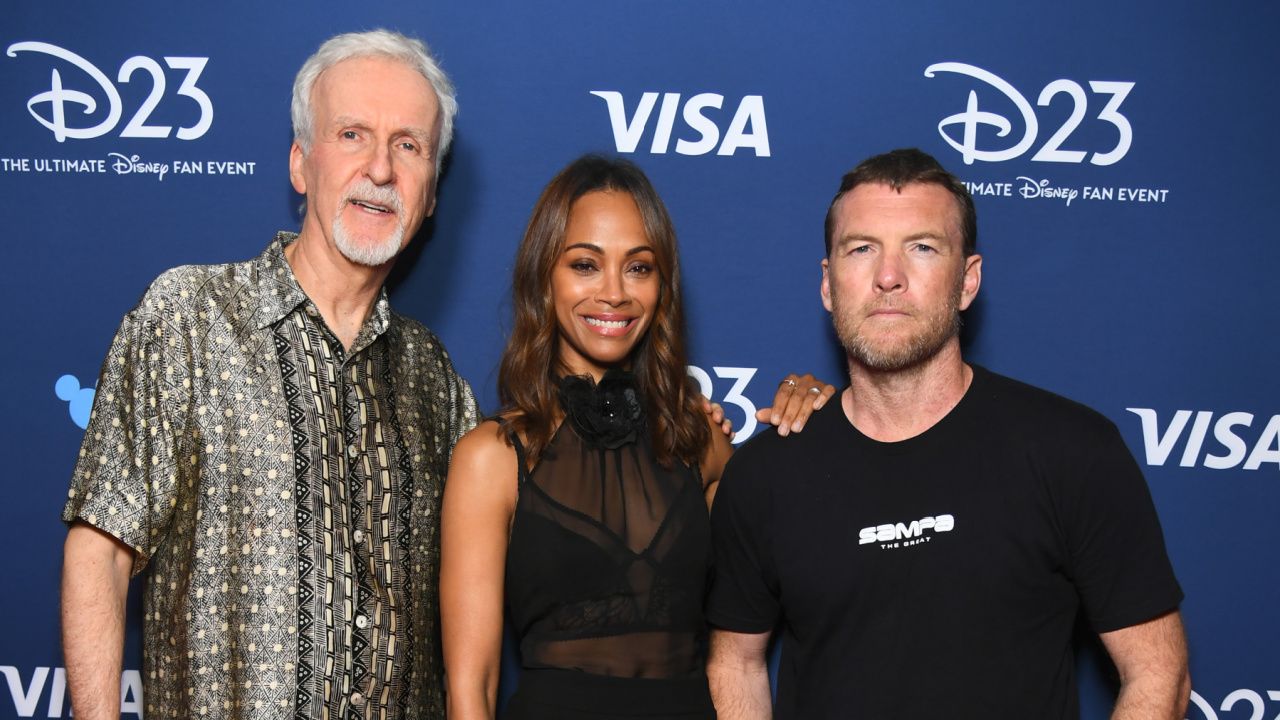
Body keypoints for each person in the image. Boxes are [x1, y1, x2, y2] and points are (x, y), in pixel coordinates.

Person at [60, 30, 476, 720]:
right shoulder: (189, 319)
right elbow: (101, 549)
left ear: (431, 193)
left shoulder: (436, 382)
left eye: (409, 145)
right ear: (300, 163)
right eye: (351, 135)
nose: (379, 168)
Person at [705, 148, 1191, 719]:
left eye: (923, 248)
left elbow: (1160, 673)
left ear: (967, 280)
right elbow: (734, 664)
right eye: (861, 249)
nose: (889, 277)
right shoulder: (766, 475)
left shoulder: (1073, 451)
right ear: (828, 285)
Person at [439, 155, 833, 720]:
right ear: (542, 277)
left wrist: (818, 409)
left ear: (661, 285)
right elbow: (470, 692)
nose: (615, 293)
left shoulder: (701, 442)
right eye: (584, 264)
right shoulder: (491, 457)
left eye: (639, 268)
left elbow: (812, 552)